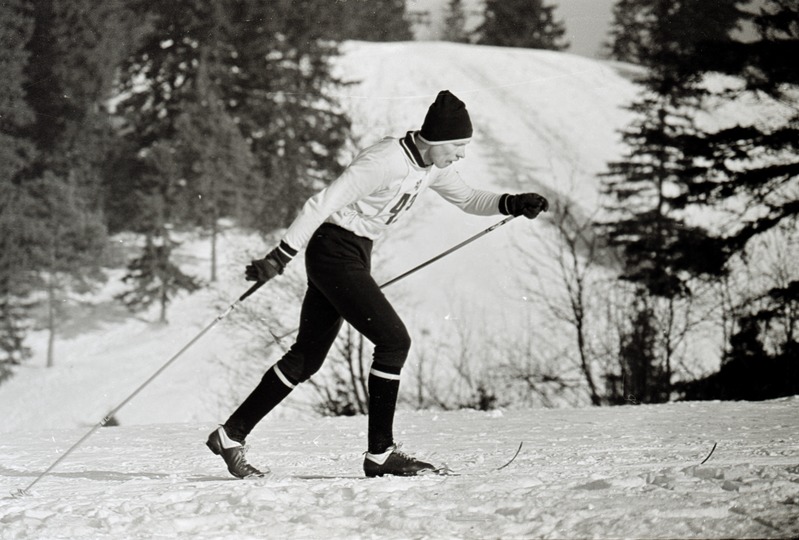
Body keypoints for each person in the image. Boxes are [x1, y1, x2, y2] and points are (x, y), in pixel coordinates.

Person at [206, 90, 549, 478]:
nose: (461, 155)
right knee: (394, 341)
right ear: (436, 139)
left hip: (352, 253)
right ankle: (380, 454)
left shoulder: (431, 166)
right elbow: (322, 203)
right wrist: (279, 257)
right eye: (457, 146)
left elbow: (469, 199)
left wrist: (513, 202)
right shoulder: (385, 161)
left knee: (306, 358)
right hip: (333, 250)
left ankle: (230, 435)